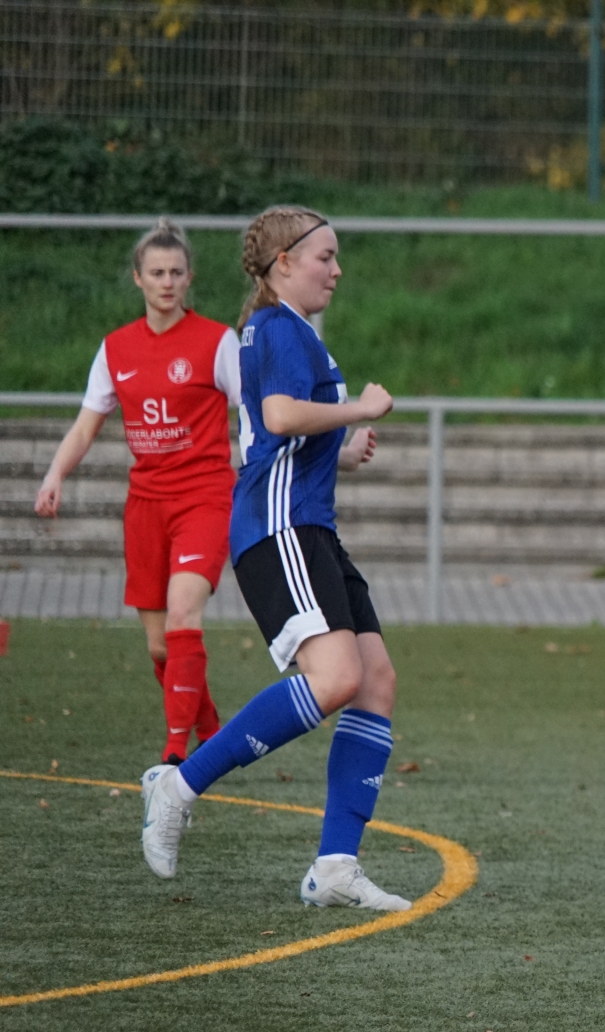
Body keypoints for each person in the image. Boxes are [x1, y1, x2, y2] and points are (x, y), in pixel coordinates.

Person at [139, 205, 408, 912]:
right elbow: (285, 415)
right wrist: (360, 413)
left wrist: (343, 450)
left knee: (375, 680)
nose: (337, 269)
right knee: (338, 677)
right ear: (283, 262)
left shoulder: (289, 331)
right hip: (278, 529)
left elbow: (273, 429)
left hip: (311, 527)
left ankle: (335, 866)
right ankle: (179, 784)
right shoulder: (275, 325)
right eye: (325, 256)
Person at [35, 219, 240, 765]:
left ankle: (176, 756)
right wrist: (55, 475)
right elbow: (85, 426)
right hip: (146, 506)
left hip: (205, 496)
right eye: (156, 273)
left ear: (189, 277)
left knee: (182, 617)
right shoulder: (116, 348)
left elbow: (262, 414)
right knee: (158, 646)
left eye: (176, 272)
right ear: (138, 279)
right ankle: (212, 730)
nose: (167, 282)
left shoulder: (218, 342)